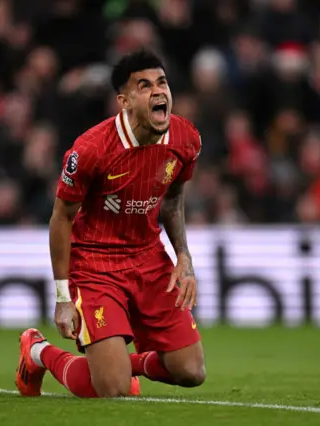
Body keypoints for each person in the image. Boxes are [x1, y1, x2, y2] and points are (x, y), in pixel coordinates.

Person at [15, 49, 205, 398]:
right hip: (95, 266)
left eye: (162, 82)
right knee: (115, 391)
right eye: (145, 86)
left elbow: (174, 199)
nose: (159, 91)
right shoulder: (91, 150)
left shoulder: (185, 139)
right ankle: (39, 352)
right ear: (125, 101)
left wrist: (184, 257)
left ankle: (111, 362)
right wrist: (62, 297)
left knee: (192, 371)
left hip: (149, 260)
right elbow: (61, 219)